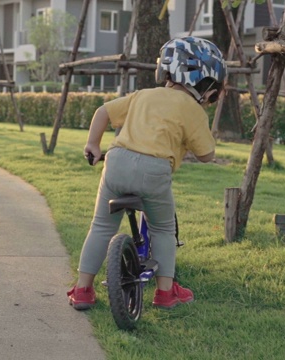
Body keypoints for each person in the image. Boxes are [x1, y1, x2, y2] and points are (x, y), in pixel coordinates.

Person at [67, 36, 227, 310]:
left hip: (116, 163)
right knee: (163, 229)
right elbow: (206, 155)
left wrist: (93, 144)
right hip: (154, 171)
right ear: (206, 83)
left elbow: (103, 111)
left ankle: (82, 289)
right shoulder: (193, 109)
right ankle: (165, 292)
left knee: (102, 226)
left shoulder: (143, 95)